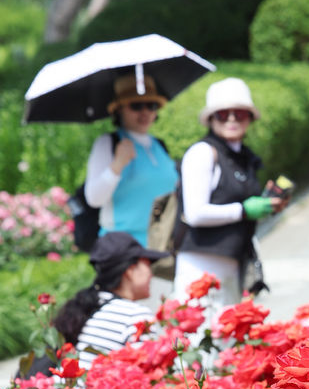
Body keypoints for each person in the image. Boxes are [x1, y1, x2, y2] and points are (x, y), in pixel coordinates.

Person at [173, 77, 287, 307]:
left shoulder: (244, 157)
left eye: (240, 113)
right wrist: (243, 210)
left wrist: (268, 206)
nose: (232, 119)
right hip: (200, 268)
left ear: (250, 117)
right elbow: (195, 213)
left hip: (235, 265)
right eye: (224, 113)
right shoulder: (202, 153)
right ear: (211, 118)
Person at [84, 74, 178, 247]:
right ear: (119, 109)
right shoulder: (109, 143)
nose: (145, 112)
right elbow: (94, 199)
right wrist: (117, 165)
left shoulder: (160, 145)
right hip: (123, 246)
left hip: (161, 242)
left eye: (151, 106)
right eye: (136, 106)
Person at [52, 231, 166, 370]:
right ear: (130, 271)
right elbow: (147, 372)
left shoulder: (91, 305)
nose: (151, 274)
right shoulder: (135, 315)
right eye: (148, 265)